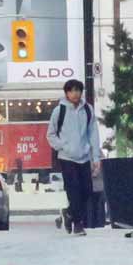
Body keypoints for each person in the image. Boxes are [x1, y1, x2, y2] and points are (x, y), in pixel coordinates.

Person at [47, 79, 101, 235]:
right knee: (73, 190)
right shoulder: (59, 111)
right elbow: (50, 134)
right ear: (66, 93)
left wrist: (95, 157)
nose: (75, 93)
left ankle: (69, 212)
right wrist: (62, 146)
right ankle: (78, 224)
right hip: (66, 158)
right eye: (71, 90)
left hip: (84, 156)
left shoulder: (88, 109)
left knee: (87, 190)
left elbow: (93, 133)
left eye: (78, 90)